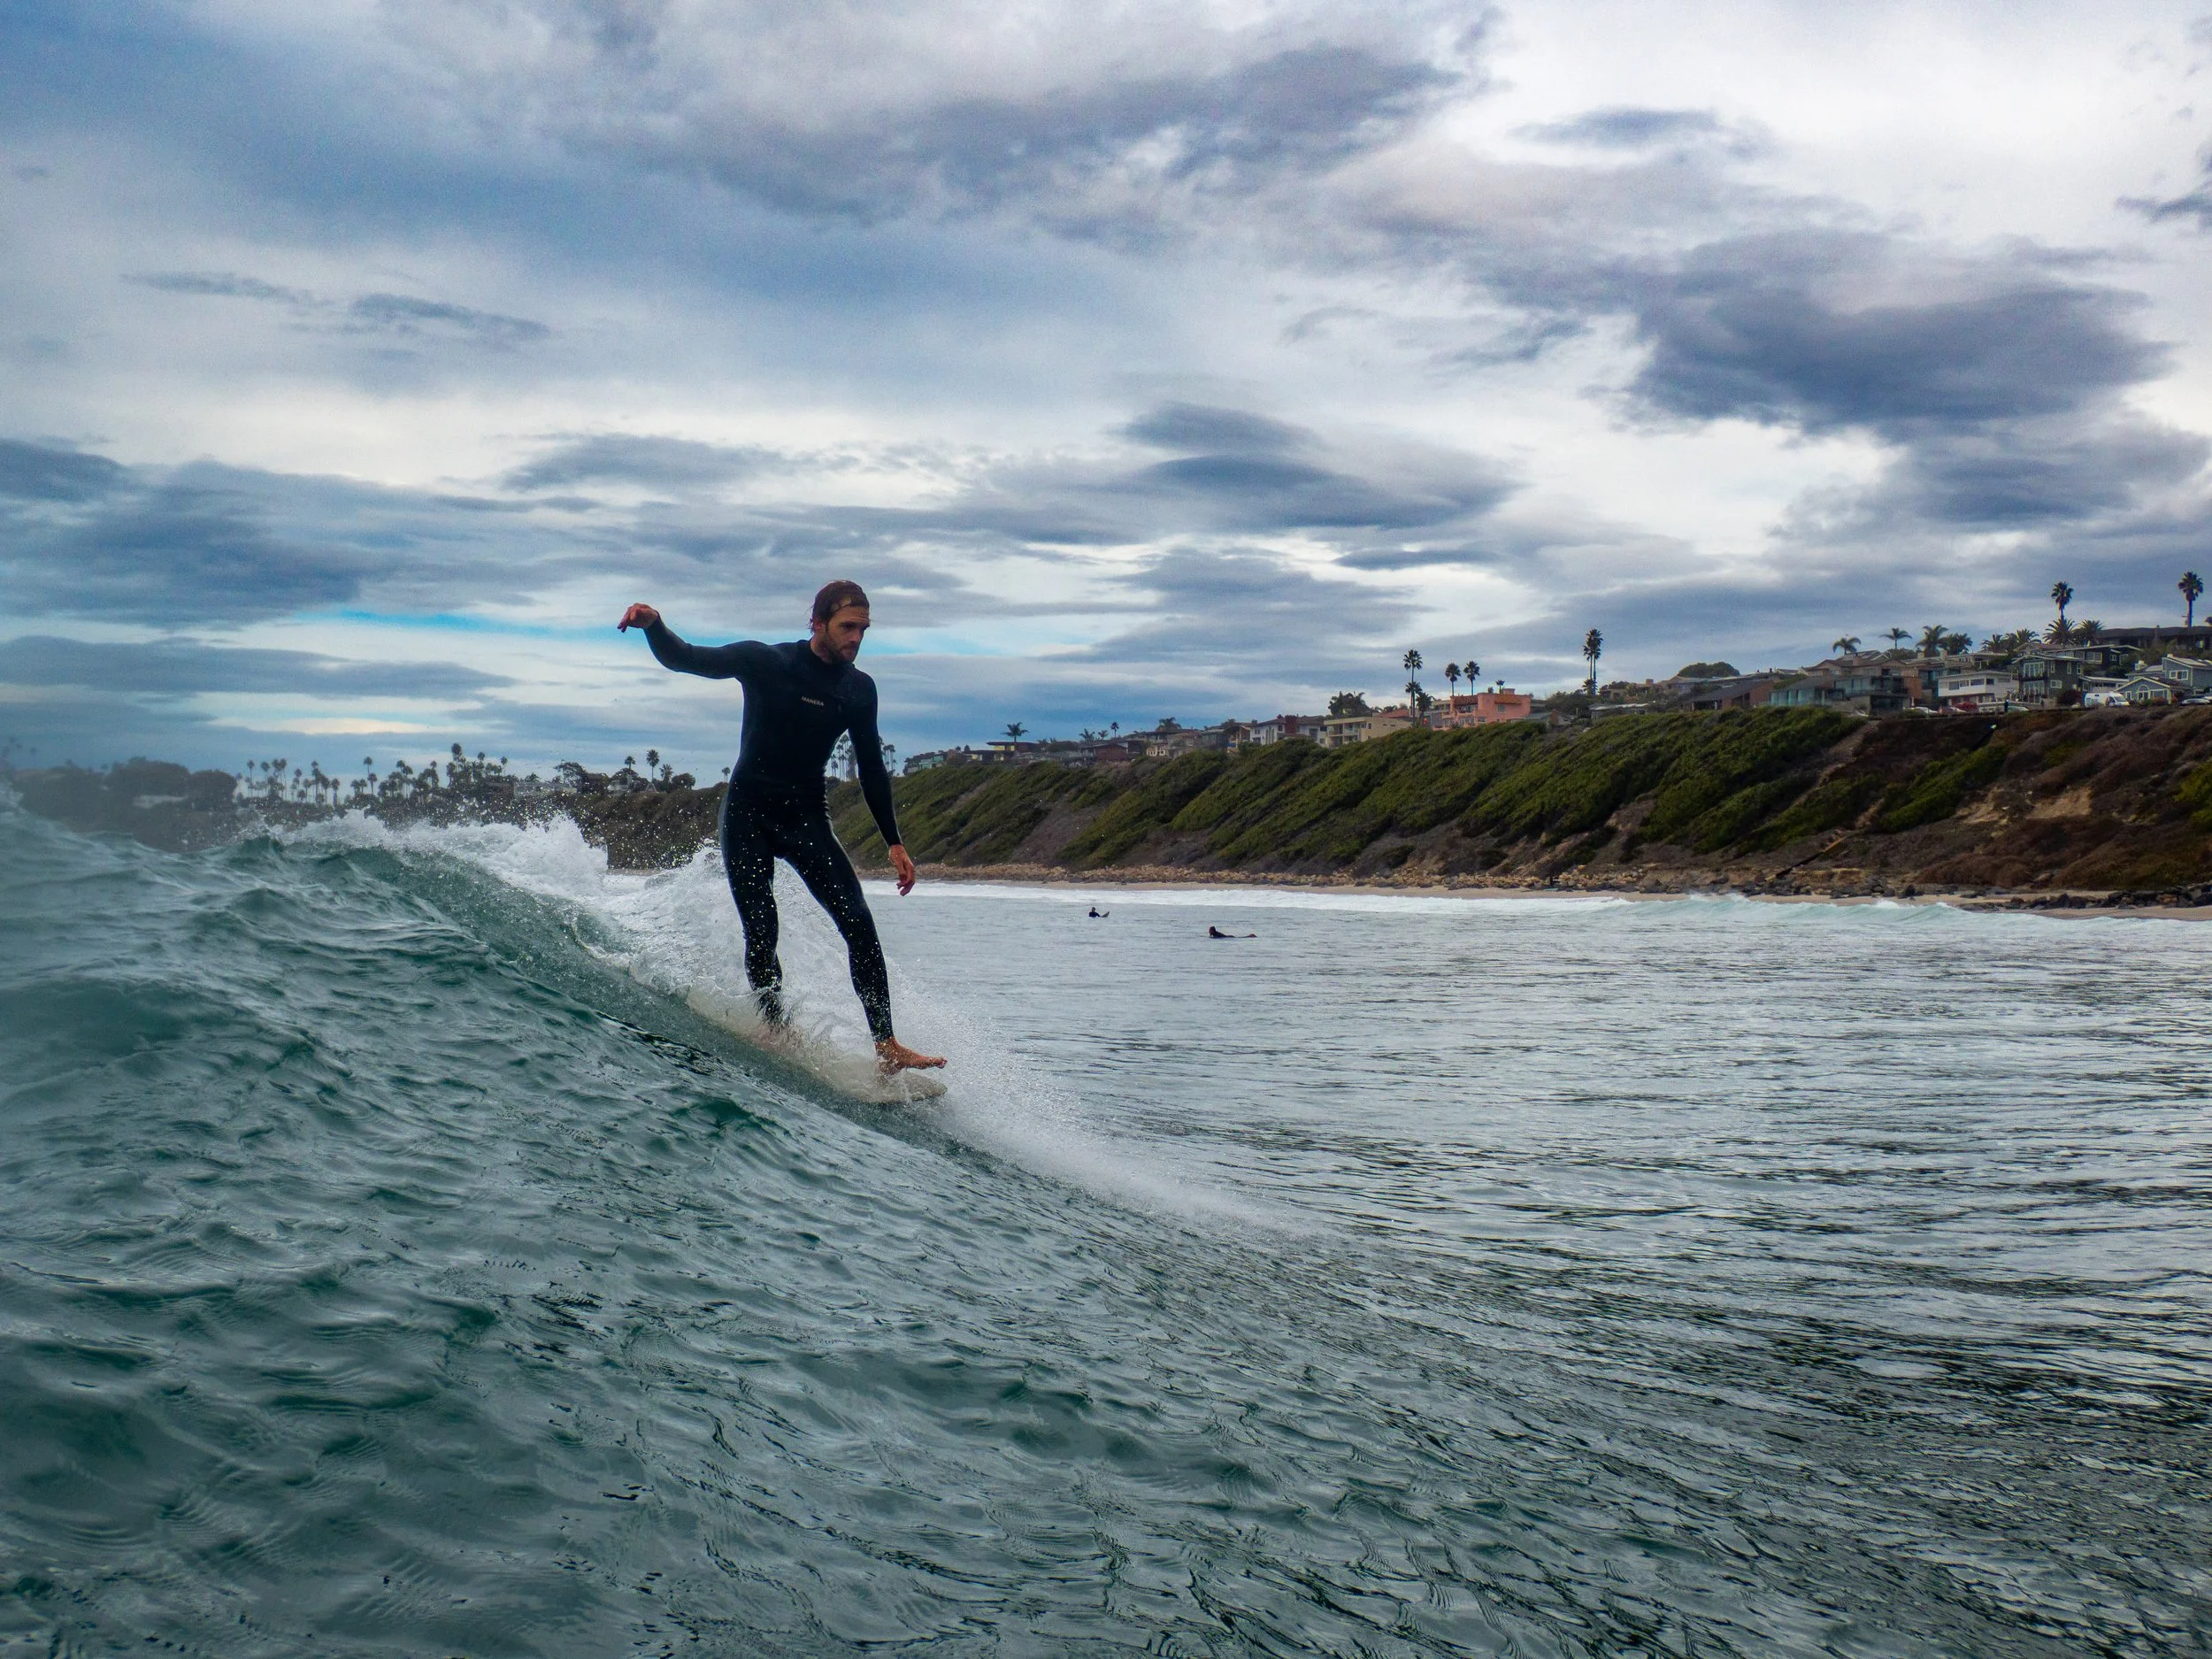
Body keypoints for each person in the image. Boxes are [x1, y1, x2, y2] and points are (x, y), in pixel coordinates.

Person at [618, 581, 944, 1074]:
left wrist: (894, 841)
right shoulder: (767, 662)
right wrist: (655, 626)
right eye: (847, 627)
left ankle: (887, 1046)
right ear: (817, 623)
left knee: (859, 922)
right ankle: (774, 1026)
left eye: (863, 629)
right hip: (748, 812)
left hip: (805, 815)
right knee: (761, 928)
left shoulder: (858, 689)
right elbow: (688, 658)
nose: (856, 638)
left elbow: (873, 766)